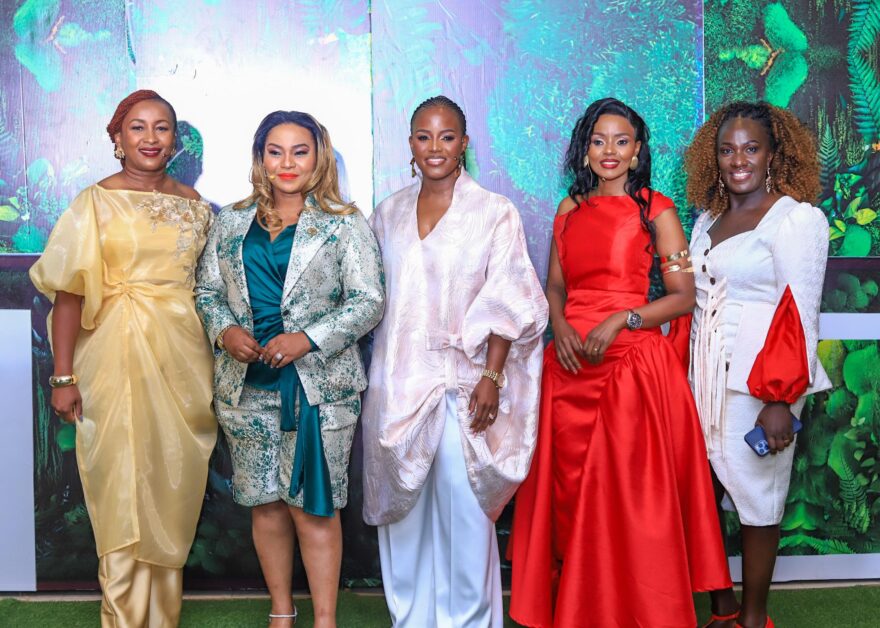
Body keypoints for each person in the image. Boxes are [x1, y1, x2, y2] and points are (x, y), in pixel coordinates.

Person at [508, 97, 732, 627]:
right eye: (598, 140)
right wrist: (560, 326)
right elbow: (555, 287)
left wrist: (623, 320)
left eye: (621, 141)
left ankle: (638, 608)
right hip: (569, 369)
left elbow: (683, 297)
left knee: (628, 502)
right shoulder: (568, 209)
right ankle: (581, 608)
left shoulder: (656, 209)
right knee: (568, 498)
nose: (609, 151)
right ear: (585, 150)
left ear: (637, 152)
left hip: (629, 369)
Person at [29, 89, 217, 627]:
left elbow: (211, 289)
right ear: (117, 138)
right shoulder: (94, 202)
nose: (150, 138)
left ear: (174, 141)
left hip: (182, 358)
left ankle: (161, 617)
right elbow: (69, 294)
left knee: (171, 483)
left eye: (161, 127)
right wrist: (62, 376)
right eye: (137, 127)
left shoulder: (197, 206)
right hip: (111, 353)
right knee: (118, 484)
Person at [362, 95, 548, 627]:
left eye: (446, 137)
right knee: (404, 516)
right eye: (424, 137)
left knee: (465, 514)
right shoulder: (387, 214)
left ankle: (468, 621)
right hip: (399, 384)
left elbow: (511, 300)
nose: (435, 147)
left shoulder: (494, 212)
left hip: (466, 385)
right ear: (410, 144)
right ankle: (410, 619)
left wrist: (491, 376)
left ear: (464, 143)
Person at [195, 110, 384, 628]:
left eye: (300, 151)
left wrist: (307, 339)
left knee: (315, 507)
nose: (287, 163)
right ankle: (281, 612)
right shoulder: (231, 222)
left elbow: (368, 300)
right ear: (260, 157)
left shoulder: (344, 223)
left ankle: (324, 620)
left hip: (319, 392)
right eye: (275, 151)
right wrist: (225, 332)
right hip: (246, 390)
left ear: (318, 156)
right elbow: (207, 291)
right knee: (266, 505)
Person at [684, 101, 831, 628]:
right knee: (701, 498)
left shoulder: (795, 219)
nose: (738, 160)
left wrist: (779, 399)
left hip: (758, 386)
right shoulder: (707, 219)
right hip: (701, 382)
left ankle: (752, 619)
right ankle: (722, 609)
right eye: (727, 150)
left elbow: (800, 312)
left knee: (758, 502)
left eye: (751, 148)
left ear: (773, 153)